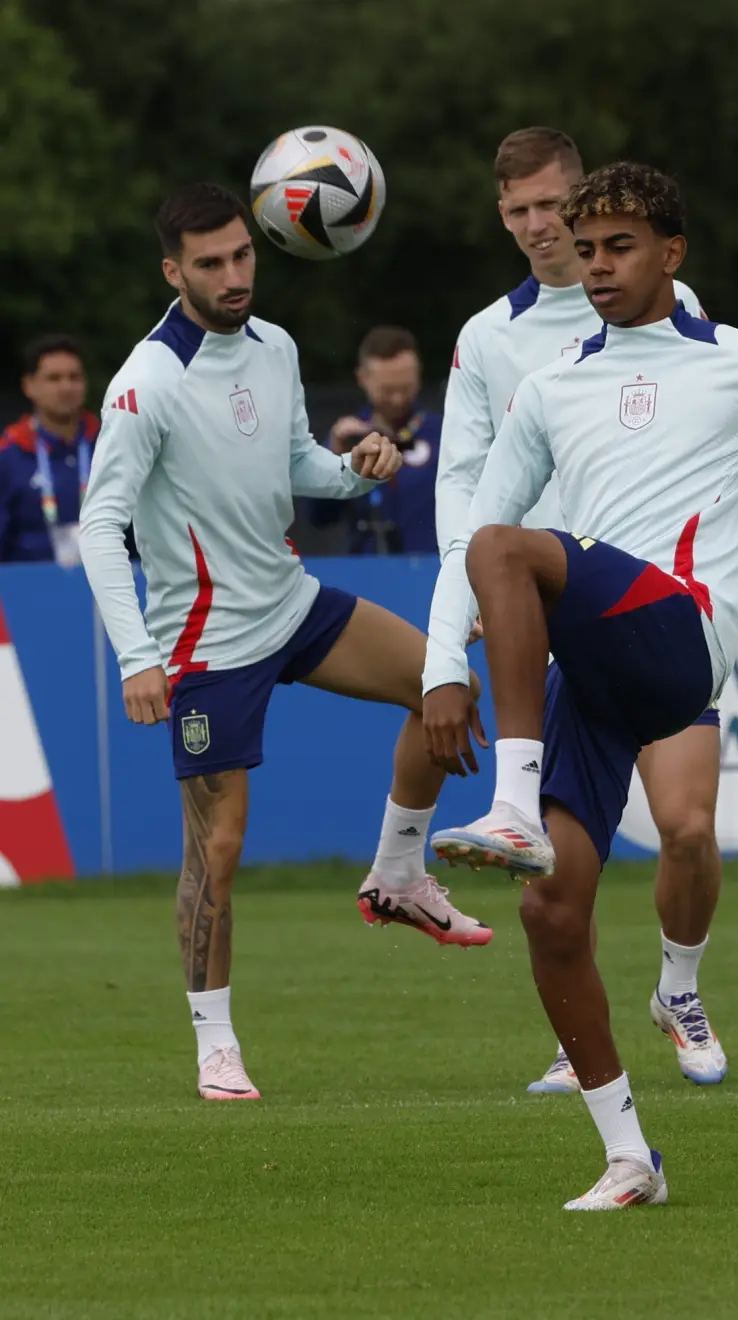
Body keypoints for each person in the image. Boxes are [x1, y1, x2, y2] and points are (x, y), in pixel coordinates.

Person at [422, 162, 738, 1209]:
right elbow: (471, 543)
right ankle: (628, 1157)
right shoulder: (550, 383)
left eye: (620, 247)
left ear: (672, 255)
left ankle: (517, 809)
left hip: (685, 635)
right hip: (599, 664)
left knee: (523, 556)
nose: (598, 266)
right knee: (552, 917)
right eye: (587, 246)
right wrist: (440, 670)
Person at [79, 183, 490, 1106]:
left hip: (293, 603)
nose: (233, 276)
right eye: (211, 263)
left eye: (242, 255)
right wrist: (136, 655)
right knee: (216, 849)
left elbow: (296, 460)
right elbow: (102, 526)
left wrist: (353, 468)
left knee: (441, 680)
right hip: (205, 644)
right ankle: (215, 1044)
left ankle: (397, 875)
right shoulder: (144, 385)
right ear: (173, 271)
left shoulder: (276, 346)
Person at [437, 125, 738, 1095]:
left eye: (552, 208)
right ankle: (588, 1051)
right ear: (505, 218)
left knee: (688, 828)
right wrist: (468, 607)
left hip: (664, 605)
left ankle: (679, 992)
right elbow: (466, 485)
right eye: (520, 211)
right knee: (564, 873)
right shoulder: (487, 338)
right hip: (554, 617)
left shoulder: (674, 308)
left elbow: (726, 437)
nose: (541, 228)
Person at [314, 326, 441, 554]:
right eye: (387, 390)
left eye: (406, 388)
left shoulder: (443, 433)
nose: (397, 399)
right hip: (368, 577)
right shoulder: (351, 438)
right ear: (362, 378)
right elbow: (318, 516)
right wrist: (335, 459)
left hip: (433, 573)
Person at [0, 335, 98, 566]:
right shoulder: (8, 455)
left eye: (74, 377)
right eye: (54, 378)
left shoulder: (109, 445)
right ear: (29, 386)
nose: (66, 387)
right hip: (28, 591)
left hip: (108, 591)